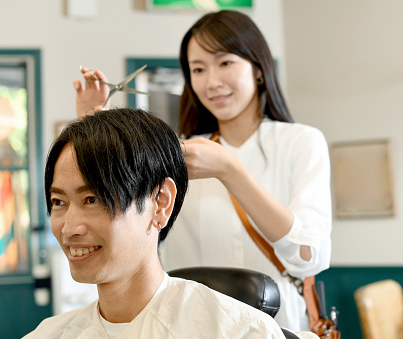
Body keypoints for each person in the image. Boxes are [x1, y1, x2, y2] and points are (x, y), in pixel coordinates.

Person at [74, 10, 332, 331]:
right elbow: (116, 207)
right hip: (188, 327)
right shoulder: (180, 152)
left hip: (278, 328)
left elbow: (310, 255)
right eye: (198, 69)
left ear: (258, 67)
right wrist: (92, 126)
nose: (212, 82)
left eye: (225, 63)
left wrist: (230, 170)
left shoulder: (300, 142)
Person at [23, 108, 286, 338]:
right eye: (59, 202)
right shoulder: (49, 334)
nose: (69, 228)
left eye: (92, 199)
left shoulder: (239, 332)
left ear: (160, 203)